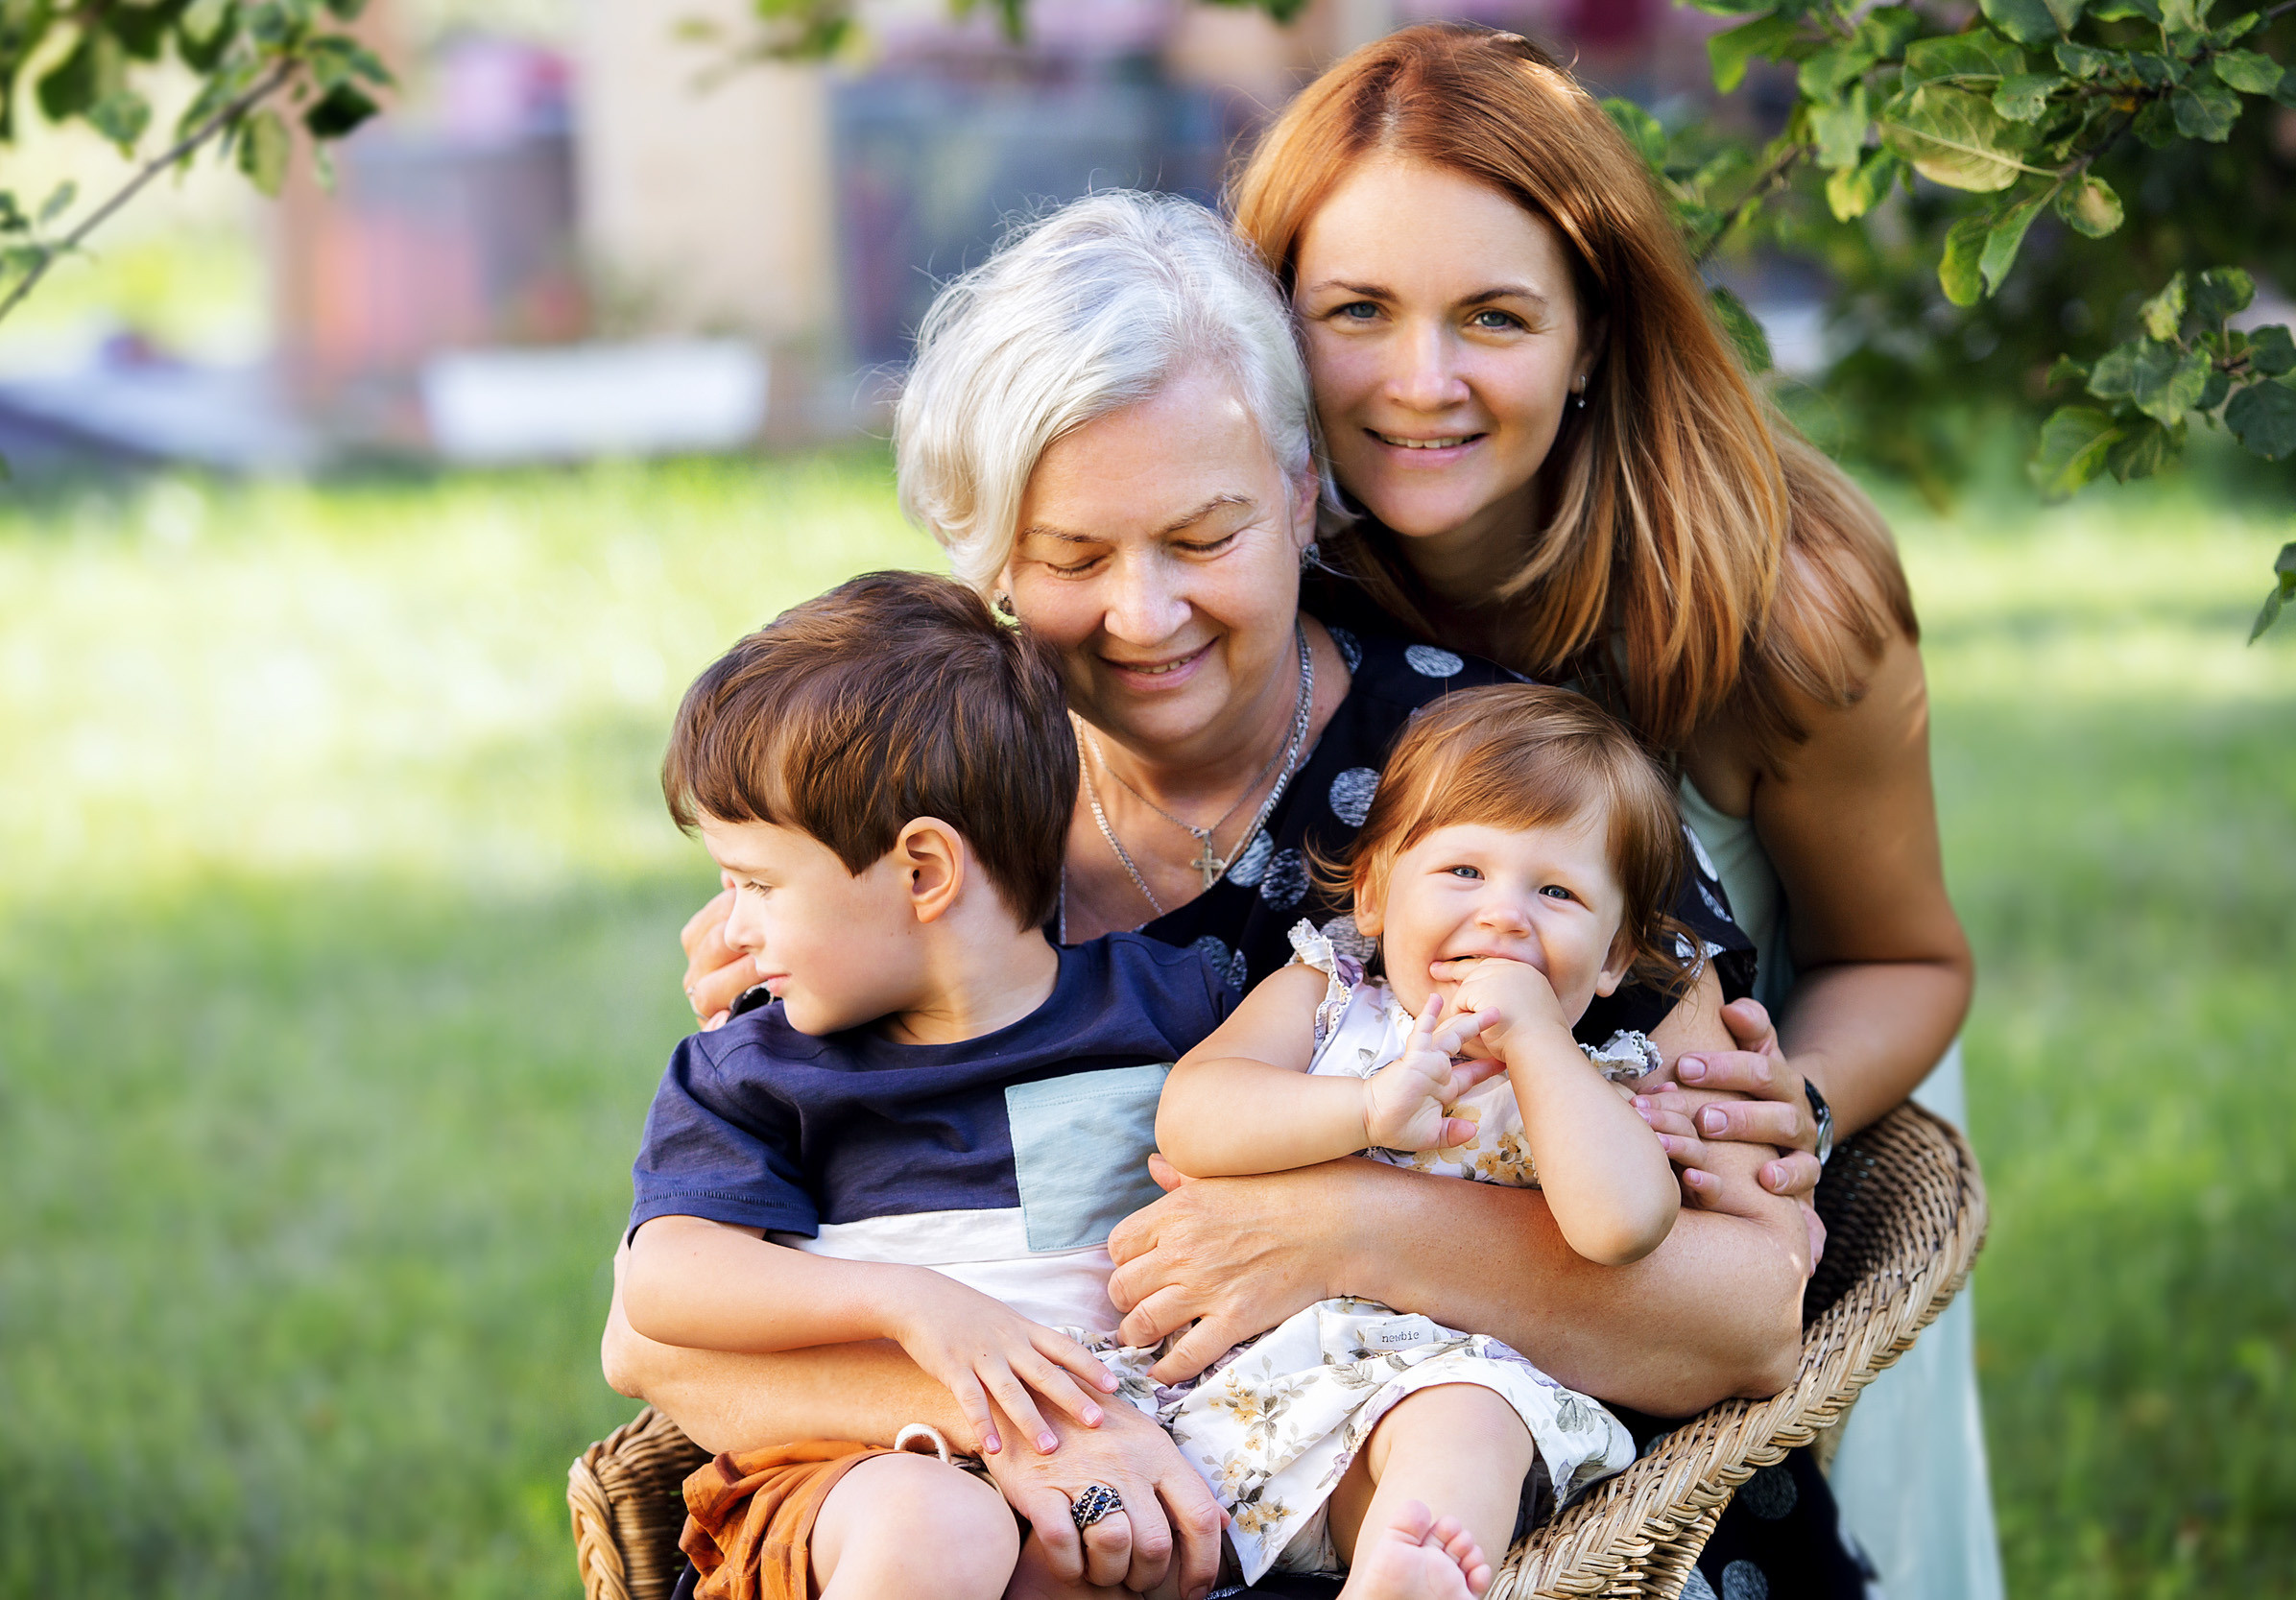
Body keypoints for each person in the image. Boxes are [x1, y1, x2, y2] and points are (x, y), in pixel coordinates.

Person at [619, 192, 1820, 1600]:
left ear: (1304, 491)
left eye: (1205, 537)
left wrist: (1351, 1226)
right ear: (988, 552)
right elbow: (663, 1342)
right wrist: (1049, 1431)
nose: (1145, 613)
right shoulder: (907, 847)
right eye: (1072, 557)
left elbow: (1743, 1320)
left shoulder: (1494, 799)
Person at [1226, 24, 1995, 1597]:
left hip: (1678, 1206)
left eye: (1493, 317)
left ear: (1594, 334)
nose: (1416, 382)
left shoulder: (1777, 602)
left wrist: (1796, 1106)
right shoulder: (1249, 570)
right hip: (1358, 1244)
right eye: (1355, 311)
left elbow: (1904, 959)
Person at [622, 570, 1232, 1599]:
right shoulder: (757, 1066)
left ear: (922, 871)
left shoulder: (1168, 1007)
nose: (730, 930)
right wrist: (912, 1302)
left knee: (1140, 1549)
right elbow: (663, 1279)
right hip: (849, 1477)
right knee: (936, 1525)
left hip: (1112, 1465)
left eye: (758, 885)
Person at [1150, 684, 1694, 1588]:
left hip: (1415, 1414)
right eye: (1463, 873)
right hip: (1227, 1398)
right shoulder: (1327, 1000)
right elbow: (1193, 1114)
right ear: (1372, 893)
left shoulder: (1590, 1083)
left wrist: (1537, 1043)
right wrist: (1363, 1108)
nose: (1504, 916)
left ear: (1611, 959)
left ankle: (1411, 1572)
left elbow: (1625, 1224)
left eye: (1555, 890)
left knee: (1470, 1421)